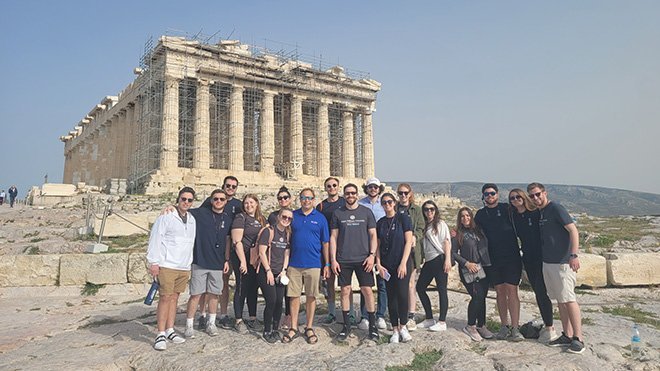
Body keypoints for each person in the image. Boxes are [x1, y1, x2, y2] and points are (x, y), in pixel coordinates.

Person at [527, 182, 585, 354]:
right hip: (548, 262)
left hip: (562, 262)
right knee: (560, 300)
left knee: (569, 299)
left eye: (538, 194)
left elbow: (573, 231)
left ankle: (578, 338)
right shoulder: (541, 212)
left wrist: (573, 255)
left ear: (545, 193)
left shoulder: (556, 208)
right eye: (532, 196)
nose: (535, 198)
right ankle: (566, 334)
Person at [146, 187, 197, 350]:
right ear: (178, 199)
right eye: (183, 199)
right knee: (165, 298)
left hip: (183, 266)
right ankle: (160, 333)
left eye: (189, 200)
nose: (186, 202)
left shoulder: (191, 219)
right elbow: (156, 238)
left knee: (175, 298)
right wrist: (154, 262)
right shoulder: (166, 216)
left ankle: (170, 329)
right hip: (167, 264)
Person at [474, 183, 524, 341]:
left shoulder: (507, 209)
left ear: (497, 194)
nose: (490, 196)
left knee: (512, 291)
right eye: (487, 194)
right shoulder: (480, 215)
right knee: (500, 292)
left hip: (511, 257)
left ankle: (515, 328)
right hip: (493, 259)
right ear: (483, 196)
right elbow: (473, 232)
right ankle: (504, 326)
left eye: (492, 193)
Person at [331, 183, 379, 341]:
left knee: (367, 291)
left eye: (353, 193)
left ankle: (372, 327)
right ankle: (346, 326)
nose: (350, 196)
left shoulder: (366, 212)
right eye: (347, 193)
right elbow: (333, 238)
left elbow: (373, 235)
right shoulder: (338, 213)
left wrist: (372, 255)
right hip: (344, 258)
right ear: (344, 195)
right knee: (345, 291)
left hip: (363, 258)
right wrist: (333, 259)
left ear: (357, 194)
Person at [508, 188, 557, 343]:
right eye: (512, 198)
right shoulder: (513, 216)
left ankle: (550, 327)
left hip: (543, 257)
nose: (515, 200)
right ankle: (548, 325)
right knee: (539, 292)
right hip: (529, 259)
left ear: (524, 197)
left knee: (548, 293)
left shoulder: (536, 213)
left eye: (518, 196)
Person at [183, 189, 232, 339]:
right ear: (211, 200)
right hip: (200, 260)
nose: (218, 201)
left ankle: (212, 323)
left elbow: (228, 240)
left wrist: (227, 259)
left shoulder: (228, 218)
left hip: (217, 262)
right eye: (216, 199)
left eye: (221, 199)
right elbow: (184, 209)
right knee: (195, 294)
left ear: (225, 201)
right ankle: (189, 325)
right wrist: (170, 207)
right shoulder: (201, 213)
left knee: (214, 294)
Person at [283, 188, 330, 344]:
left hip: (313, 263)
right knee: (294, 296)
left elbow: (325, 243)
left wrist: (327, 263)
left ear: (313, 200)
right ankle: (294, 327)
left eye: (309, 198)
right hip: (294, 264)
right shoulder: (293, 216)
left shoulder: (321, 218)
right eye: (303, 197)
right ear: (300, 199)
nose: (306, 200)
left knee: (311, 296)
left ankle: (309, 327)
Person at [200, 176, 243, 330]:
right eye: (228, 185)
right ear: (223, 185)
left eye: (233, 186)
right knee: (207, 284)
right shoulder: (211, 200)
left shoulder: (238, 205)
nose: (230, 188)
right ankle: (202, 315)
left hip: (231, 249)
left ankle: (223, 315)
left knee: (224, 283)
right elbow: (198, 217)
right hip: (213, 248)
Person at [375, 193, 413, 343]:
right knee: (391, 297)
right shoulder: (381, 223)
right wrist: (378, 263)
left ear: (394, 203)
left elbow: (408, 242)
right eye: (384, 202)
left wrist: (403, 263)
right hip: (387, 265)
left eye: (389, 202)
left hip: (402, 263)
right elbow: (377, 246)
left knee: (403, 295)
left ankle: (403, 326)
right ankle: (395, 329)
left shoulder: (404, 219)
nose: (387, 205)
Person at [316, 176, 354, 325]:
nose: (332, 188)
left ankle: (350, 312)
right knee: (329, 281)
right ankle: (331, 312)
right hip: (327, 248)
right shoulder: (321, 206)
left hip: (344, 247)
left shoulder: (345, 204)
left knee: (346, 283)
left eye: (334, 185)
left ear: (338, 187)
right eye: (329, 186)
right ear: (325, 188)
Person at [451, 207, 493, 342]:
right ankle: (470, 326)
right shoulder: (458, 233)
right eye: (462, 216)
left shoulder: (478, 230)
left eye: (468, 215)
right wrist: (466, 263)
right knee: (477, 296)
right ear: (459, 219)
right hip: (468, 269)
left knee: (482, 297)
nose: (465, 218)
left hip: (483, 267)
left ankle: (481, 325)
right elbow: (453, 253)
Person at [256, 208, 292, 343]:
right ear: (278, 216)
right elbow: (261, 252)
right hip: (266, 271)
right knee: (271, 300)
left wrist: (284, 270)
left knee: (278, 302)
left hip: (279, 272)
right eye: (284, 216)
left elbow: (286, 253)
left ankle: (275, 329)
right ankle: (267, 330)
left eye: (289, 218)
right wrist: (268, 270)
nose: (286, 220)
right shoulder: (269, 231)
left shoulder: (288, 234)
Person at [231, 194, 266, 333]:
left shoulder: (262, 219)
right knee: (241, 287)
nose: (249, 205)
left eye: (251, 202)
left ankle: (252, 318)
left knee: (253, 287)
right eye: (246, 203)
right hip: (242, 256)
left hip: (255, 259)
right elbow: (236, 241)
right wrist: (243, 262)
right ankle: (238, 320)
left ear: (257, 204)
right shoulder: (240, 218)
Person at [415, 200, 452, 332]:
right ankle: (429, 318)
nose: (429, 212)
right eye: (426, 209)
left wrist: (447, 259)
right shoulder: (424, 225)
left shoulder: (440, 224)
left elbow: (446, 241)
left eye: (431, 209)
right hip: (429, 261)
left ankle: (442, 321)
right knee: (420, 287)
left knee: (442, 290)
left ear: (435, 210)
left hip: (439, 258)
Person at [357, 177, 387, 331]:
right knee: (365, 284)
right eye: (370, 187)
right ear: (366, 189)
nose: (373, 189)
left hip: (382, 247)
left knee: (382, 283)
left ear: (379, 188)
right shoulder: (360, 204)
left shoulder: (385, 204)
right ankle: (365, 316)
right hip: (365, 248)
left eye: (375, 187)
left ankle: (381, 315)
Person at [396, 183, 425, 331]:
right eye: (400, 193)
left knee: (410, 284)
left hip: (413, 252)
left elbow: (421, 227)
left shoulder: (416, 210)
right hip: (396, 252)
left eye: (405, 193)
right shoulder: (394, 208)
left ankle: (411, 316)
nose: (403, 196)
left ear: (410, 193)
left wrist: (415, 237)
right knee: (397, 285)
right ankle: (399, 315)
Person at [266, 185, 293, 329]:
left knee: (288, 289)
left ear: (290, 199)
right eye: (280, 198)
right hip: (277, 256)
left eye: (285, 197)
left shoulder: (293, 215)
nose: (283, 200)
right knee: (277, 292)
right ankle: (272, 319)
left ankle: (288, 316)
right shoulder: (272, 216)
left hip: (291, 255)